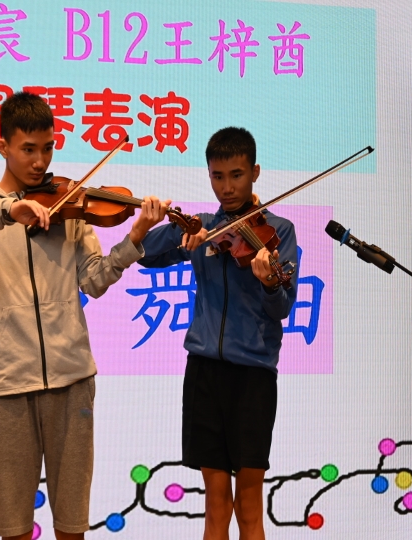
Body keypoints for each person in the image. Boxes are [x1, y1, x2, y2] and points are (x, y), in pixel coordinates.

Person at [0, 91, 169, 540]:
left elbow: (95, 280)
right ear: (3, 146)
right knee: (14, 526)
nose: (40, 161)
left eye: (48, 148)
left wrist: (135, 238)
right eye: (28, 149)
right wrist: (5, 212)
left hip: (72, 376)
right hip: (9, 383)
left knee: (72, 525)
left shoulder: (70, 208)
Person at [138, 127, 298, 540]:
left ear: (255, 173)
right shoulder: (205, 228)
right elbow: (146, 256)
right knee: (214, 505)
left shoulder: (278, 232)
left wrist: (269, 283)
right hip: (204, 372)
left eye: (237, 175)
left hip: (253, 375)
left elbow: (281, 307)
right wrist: (176, 231)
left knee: (250, 505)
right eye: (217, 176)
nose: (227, 187)